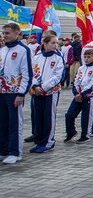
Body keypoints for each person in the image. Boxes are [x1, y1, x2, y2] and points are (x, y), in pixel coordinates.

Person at [0, 23, 32, 164]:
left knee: (15, 123)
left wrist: (21, 93)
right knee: (2, 123)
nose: (4, 36)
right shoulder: (2, 50)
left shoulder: (23, 50)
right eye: (3, 33)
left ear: (17, 33)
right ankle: (4, 150)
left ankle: (15, 152)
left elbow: (27, 74)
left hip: (14, 93)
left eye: (7, 33)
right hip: (2, 91)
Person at [29, 32, 65, 154]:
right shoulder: (37, 57)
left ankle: (49, 141)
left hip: (50, 92)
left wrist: (43, 87)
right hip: (37, 91)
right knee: (38, 116)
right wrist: (35, 86)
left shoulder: (58, 58)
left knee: (49, 116)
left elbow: (57, 76)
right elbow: (33, 73)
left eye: (56, 42)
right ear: (44, 44)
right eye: (52, 42)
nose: (56, 45)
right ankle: (39, 140)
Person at [65, 49, 93, 143]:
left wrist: (83, 94)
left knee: (86, 118)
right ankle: (71, 132)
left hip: (89, 96)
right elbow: (76, 81)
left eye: (89, 57)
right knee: (69, 115)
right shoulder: (81, 68)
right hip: (78, 96)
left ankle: (85, 135)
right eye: (85, 57)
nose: (86, 59)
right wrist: (76, 93)